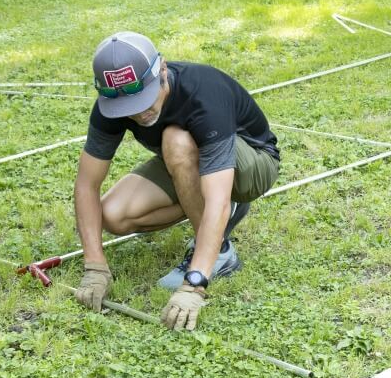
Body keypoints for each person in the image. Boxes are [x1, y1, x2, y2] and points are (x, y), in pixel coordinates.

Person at [71, 31, 280, 331]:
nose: (139, 113)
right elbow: (86, 185)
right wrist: (95, 266)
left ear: (163, 71)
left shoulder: (202, 93)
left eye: (143, 99)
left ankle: (219, 252)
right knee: (113, 216)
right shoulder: (112, 105)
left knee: (176, 139)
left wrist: (194, 284)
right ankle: (211, 216)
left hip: (253, 164)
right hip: (188, 160)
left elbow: (217, 200)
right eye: (127, 108)